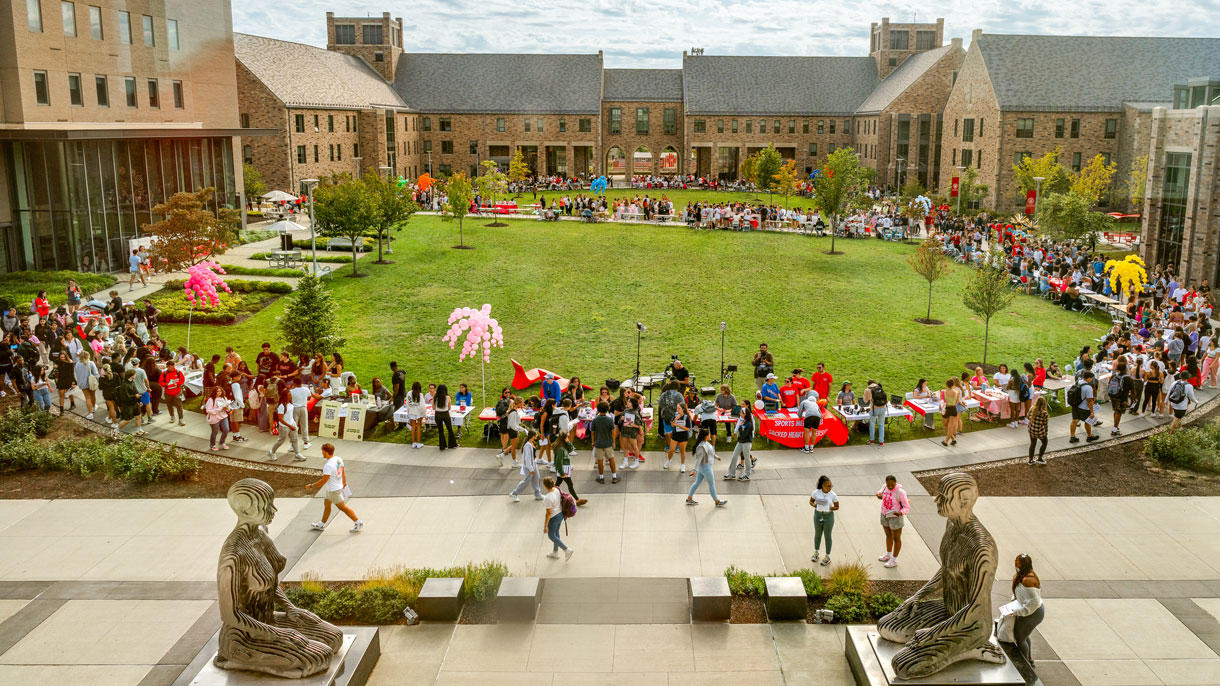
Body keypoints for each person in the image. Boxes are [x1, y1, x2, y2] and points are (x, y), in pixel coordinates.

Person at [305, 444, 363, 532]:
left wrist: (311, 486)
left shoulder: (328, 465)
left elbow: (323, 481)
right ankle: (321, 524)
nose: (322, 452)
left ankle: (358, 522)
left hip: (333, 491)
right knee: (327, 504)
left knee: (343, 508)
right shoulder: (338, 459)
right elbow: (342, 473)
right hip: (333, 489)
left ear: (326, 452)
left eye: (322, 451)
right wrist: (343, 482)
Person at [1000, 554, 1044, 667]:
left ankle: (1025, 666)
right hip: (1026, 610)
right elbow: (1022, 596)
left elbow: (1032, 604)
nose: (1015, 562)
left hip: (1032, 614)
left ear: (1023, 564)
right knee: (1024, 635)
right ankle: (1029, 660)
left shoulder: (1028, 580)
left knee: (1020, 638)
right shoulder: (1022, 575)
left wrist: (1015, 611)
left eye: (1017, 561)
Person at [685, 428, 727, 507]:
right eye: (709, 434)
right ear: (705, 436)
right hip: (706, 467)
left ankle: (689, 498)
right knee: (711, 484)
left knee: (697, 483)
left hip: (703, 468)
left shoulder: (706, 443)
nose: (710, 435)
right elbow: (698, 460)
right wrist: (694, 470)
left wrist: (717, 457)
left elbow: (710, 453)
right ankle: (717, 501)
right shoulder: (701, 447)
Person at [876, 475, 909, 568]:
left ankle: (894, 560)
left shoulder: (900, 492)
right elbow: (879, 493)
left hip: (895, 517)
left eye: (892, 485)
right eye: (888, 484)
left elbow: (907, 506)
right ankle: (888, 554)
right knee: (888, 535)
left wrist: (901, 512)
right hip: (885, 514)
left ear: (896, 483)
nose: (890, 486)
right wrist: (878, 495)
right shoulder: (884, 487)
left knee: (896, 538)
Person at [541, 476, 574, 561]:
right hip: (560, 515)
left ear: (545, 486)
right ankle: (555, 552)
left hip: (554, 517)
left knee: (551, 535)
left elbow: (548, 513)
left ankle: (567, 550)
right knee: (556, 533)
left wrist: (545, 526)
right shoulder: (556, 490)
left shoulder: (547, 498)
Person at [810, 475, 839, 566]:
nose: (829, 488)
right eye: (828, 486)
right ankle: (816, 552)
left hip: (828, 517)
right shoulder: (816, 493)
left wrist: (829, 508)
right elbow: (811, 501)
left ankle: (827, 556)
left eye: (831, 486)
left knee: (827, 536)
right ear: (822, 485)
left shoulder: (833, 495)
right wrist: (815, 505)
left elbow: (837, 506)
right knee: (818, 534)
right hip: (818, 515)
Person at [268, 390, 304, 461]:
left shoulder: (290, 403)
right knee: (281, 440)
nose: (291, 395)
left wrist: (293, 424)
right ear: (285, 396)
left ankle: (297, 454)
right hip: (284, 426)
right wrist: (290, 426)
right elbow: (280, 419)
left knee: (295, 439)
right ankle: (272, 452)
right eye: (289, 394)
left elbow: (289, 415)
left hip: (291, 423)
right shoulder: (281, 406)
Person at [551, 434, 586, 506]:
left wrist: (568, 442)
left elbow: (571, 449)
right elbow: (558, 461)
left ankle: (551, 496)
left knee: (558, 484)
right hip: (563, 469)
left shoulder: (563, 446)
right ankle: (577, 500)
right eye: (567, 437)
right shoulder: (560, 449)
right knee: (569, 484)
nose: (568, 438)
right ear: (563, 438)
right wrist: (562, 473)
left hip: (565, 468)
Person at [509, 429, 543, 501]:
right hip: (529, 466)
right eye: (536, 435)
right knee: (526, 481)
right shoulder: (527, 445)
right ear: (533, 436)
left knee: (536, 478)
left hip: (533, 463)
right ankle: (514, 493)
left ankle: (538, 494)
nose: (537, 436)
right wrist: (530, 469)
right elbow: (527, 459)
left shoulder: (532, 443)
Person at [725, 406, 755, 481]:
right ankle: (731, 474)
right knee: (734, 456)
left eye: (741, 412)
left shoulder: (749, 424)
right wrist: (740, 428)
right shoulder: (743, 421)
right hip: (740, 442)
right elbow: (741, 432)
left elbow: (744, 434)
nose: (740, 413)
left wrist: (740, 428)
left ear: (745, 414)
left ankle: (747, 474)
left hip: (746, 443)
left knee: (747, 458)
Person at [1068, 370, 1098, 443]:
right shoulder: (1088, 387)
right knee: (1088, 422)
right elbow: (1089, 401)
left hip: (1075, 405)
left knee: (1074, 421)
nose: (1091, 380)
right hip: (1084, 407)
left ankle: (1072, 437)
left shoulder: (1077, 382)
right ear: (1088, 378)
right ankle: (1089, 436)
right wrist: (1092, 412)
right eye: (1091, 378)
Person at [591, 401, 618, 484]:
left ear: (598, 409)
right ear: (607, 409)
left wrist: (593, 442)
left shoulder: (595, 420)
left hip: (598, 443)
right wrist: (613, 442)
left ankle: (601, 477)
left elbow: (593, 432)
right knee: (611, 459)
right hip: (608, 443)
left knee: (599, 460)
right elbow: (613, 432)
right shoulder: (609, 419)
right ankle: (614, 477)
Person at [1107, 359, 1135, 436]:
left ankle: (1115, 426)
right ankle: (1114, 430)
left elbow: (1109, 384)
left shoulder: (1114, 375)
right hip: (1122, 398)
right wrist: (1134, 398)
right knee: (1118, 413)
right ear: (1126, 369)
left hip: (1113, 396)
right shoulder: (1128, 378)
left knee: (1116, 411)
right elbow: (1132, 390)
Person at [665, 402, 691, 470]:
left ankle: (682, 465)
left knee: (682, 451)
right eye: (677, 408)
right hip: (675, 435)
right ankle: (669, 460)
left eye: (678, 408)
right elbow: (672, 425)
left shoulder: (686, 417)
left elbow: (687, 428)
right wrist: (675, 419)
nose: (677, 410)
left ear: (683, 409)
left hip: (684, 436)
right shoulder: (675, 414)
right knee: (671, 450)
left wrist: (679, 425)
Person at [205, 386, 232, 451]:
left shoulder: (224, 398)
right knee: (215, 432)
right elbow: (208, 410)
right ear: (214, 392)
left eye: (220, 391)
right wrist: (219, 409)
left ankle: (222, 442)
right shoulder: (211, 400)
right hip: (214, 418)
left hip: (223, 416)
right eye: (218, 391)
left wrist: (227, 408)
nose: (219, 392)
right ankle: (212, 445)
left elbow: (228, 407)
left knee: (226, 430)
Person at [864, 379, 889, 446]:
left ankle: (872, 440)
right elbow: (886, 400)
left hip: (874, 408)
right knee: (881, 424)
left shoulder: (867, 390)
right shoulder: (880, 388)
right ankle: (881, 441)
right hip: (883, 408)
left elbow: (865, 401)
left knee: (872, 424)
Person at [1027, 396, 1049, 464]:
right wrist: (1046, 432)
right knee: (1045, 443)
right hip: (1040, 431)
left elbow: (1028, 417)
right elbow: (1045, 424)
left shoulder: (1032, 408)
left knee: (1033, 444)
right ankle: (1040, 458)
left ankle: (1030, 460)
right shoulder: (1044, 413)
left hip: (1031, 430)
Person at [434, 383, 456, 450]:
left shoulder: (435, 397)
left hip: (437, 414)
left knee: (440, 430)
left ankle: (442, 445)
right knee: (449, 429)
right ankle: (451, 444)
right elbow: (449, 408)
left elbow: (433, 407)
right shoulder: (447, 397)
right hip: (445, 414)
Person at [942, 378, 963, 446]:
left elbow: (942, 401)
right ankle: (953, 439)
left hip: (946, 409)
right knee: (950, 426)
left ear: (946, 385)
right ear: (953, 385)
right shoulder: (956, 392)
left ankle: (946, 441)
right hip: (953, 409)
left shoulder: (943, 392)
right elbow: (957, 401)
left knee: (945, 425)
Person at [405, 381, 425, 450]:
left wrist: (408, 411)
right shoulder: (420, 394)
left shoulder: (408, 393)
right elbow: (422, 406)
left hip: (411, 412)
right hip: (418, 412)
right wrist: (424, 414)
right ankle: (418, 443)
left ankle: (413, 443)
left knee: (413, 427)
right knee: (419, 427)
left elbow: (407, 404)